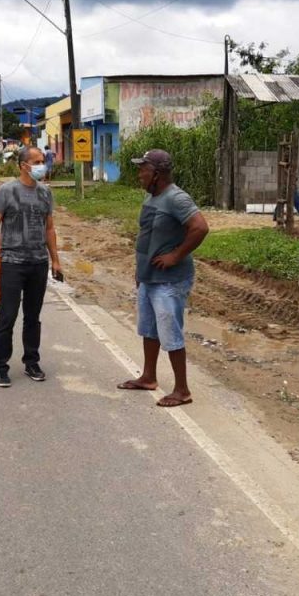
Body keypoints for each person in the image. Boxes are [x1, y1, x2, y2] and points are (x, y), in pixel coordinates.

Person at [117, 149, 210, 407]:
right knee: (149, 329)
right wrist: (141, 269)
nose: (139, 174)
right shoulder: (153, 197)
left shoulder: (176, 198)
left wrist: (176, 256)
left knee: (170, 332)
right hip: (150, 277)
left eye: (143, 169)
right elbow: (149, 235)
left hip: (170, 280)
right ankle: (148, 377)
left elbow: (200, 227)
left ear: (156, 173)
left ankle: (182, 390)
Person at [0, 146, 62, 388]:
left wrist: (55, 260)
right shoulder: (7, 191)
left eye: (43, 161)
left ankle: (31, 361)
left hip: (38, 263)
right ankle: (0, 366)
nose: (42, 165)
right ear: (23, 165)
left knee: (33, 317)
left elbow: (49, 228)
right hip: (12, 263)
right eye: (37, 161)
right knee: (7, 316)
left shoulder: (45, 194)